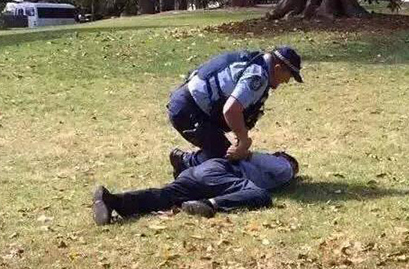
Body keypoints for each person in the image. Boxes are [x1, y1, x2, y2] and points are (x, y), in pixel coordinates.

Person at [167, 46, 303, 177]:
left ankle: (196, 160)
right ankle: (184, 162)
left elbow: (240, 111)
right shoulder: (258, 76)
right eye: (289, 75)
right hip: (188, 110)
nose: (286, 81)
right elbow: (231, 110)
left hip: (191, 105)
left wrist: (240, 139)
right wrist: (244, 141)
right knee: (226, 162)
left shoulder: (256, 61)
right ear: (278, 68)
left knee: (230, 156)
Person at [92, 151, 299, 225]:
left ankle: (114, 201)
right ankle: (209, 205)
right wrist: (290, 168)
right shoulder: (282, 165)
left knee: (167, 195)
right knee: (260, 195)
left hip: (200, 171)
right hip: (223, 174)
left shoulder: (264, 164)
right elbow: (281, 169)